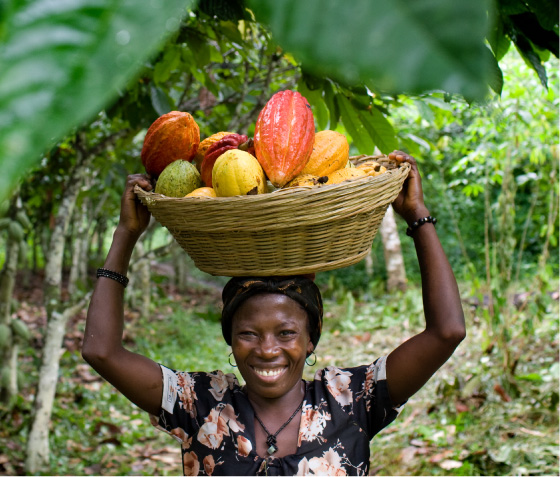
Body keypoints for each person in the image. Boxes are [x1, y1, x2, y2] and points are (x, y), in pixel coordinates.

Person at [83, 151, 466, 476]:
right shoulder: (200, 406)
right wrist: (126, 233)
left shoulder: (351, 401)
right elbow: (102, 352)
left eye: (286, 333)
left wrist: (417, 215)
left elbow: (446, 332)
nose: (268, 349)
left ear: (311, 337)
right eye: (249, 333)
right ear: (229, 340)